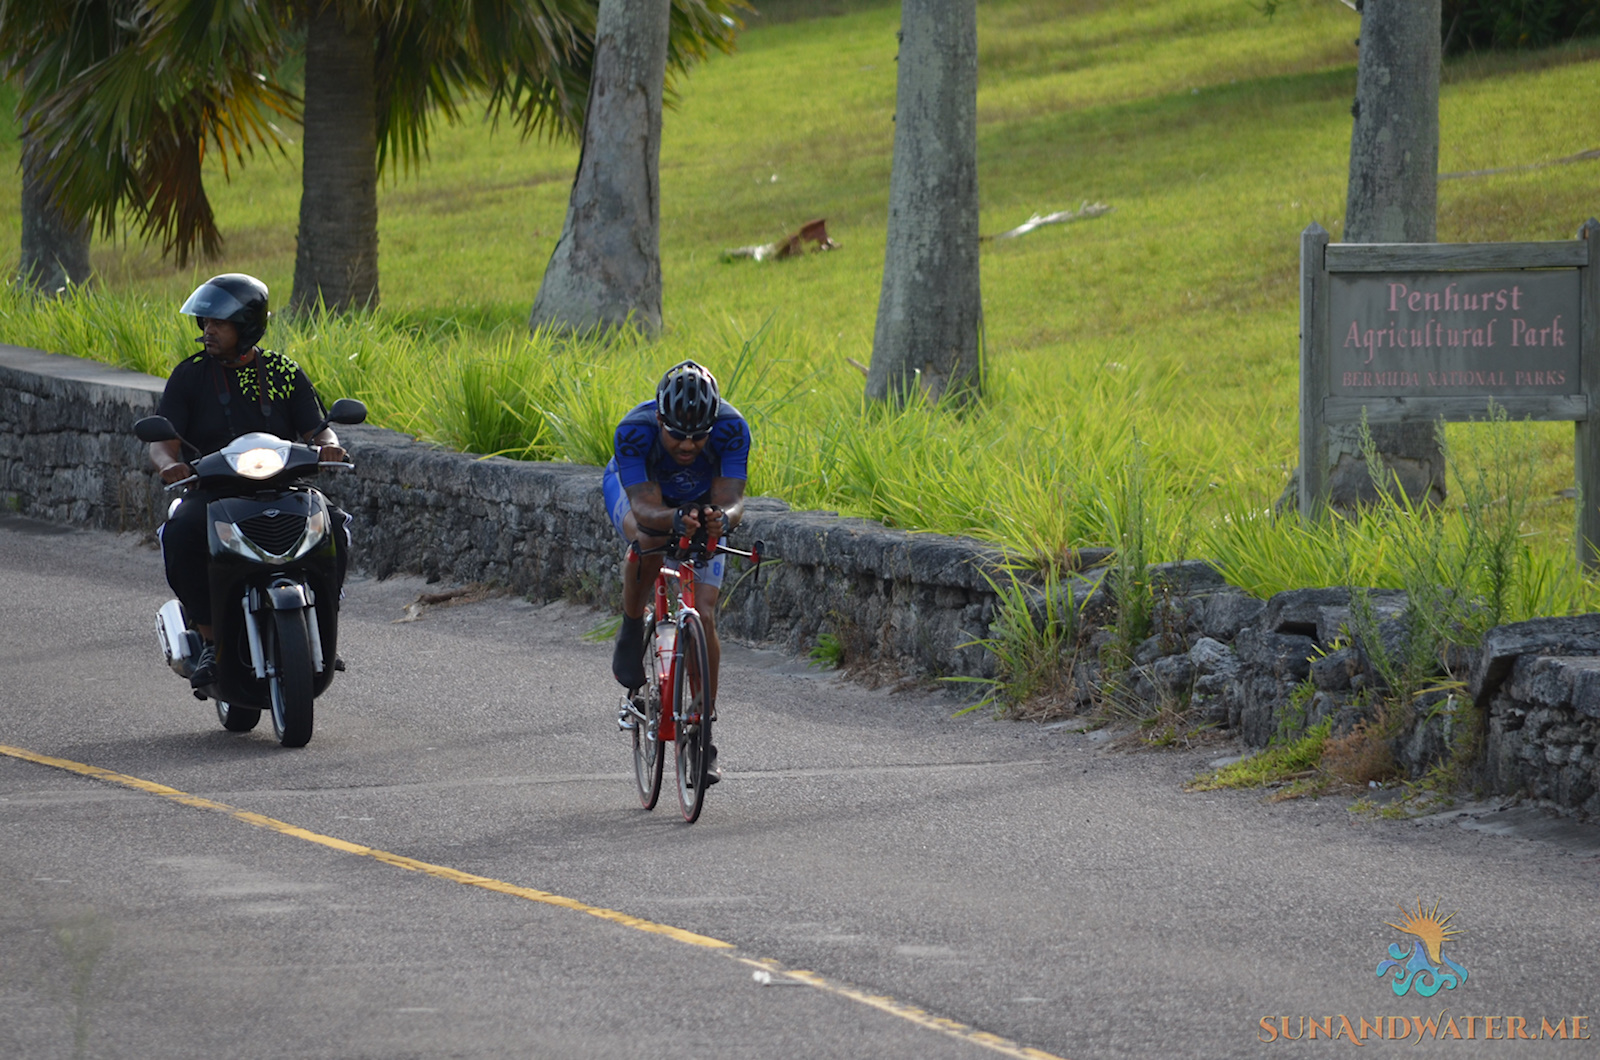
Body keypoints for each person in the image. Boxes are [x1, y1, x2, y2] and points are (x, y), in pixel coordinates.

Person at [147, 273, 348, 687]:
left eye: (218, 323)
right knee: (180, 531)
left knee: (335, 525)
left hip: (282, 485)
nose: (208, 331)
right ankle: (208, 639)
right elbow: (162, 442)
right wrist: (169, 464)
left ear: (248, 325)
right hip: (214, 489)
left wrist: (330, 444)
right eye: (205, 323)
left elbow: (318, 428)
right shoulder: (190, 375)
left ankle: (326, 621)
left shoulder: (282, 372)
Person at [604, 360, 750, 785]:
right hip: (644, 496)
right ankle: (632, 629)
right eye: (677, 436)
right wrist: (673, 518)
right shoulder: (635, 431)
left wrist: (719, 518)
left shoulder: (732, 429)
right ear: (660, 420)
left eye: (698, 437)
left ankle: (702, 730)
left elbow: (733, 500)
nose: (688, 446)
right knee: (648, 537)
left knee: (704, 613)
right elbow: (646, 509)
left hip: (698, 497)